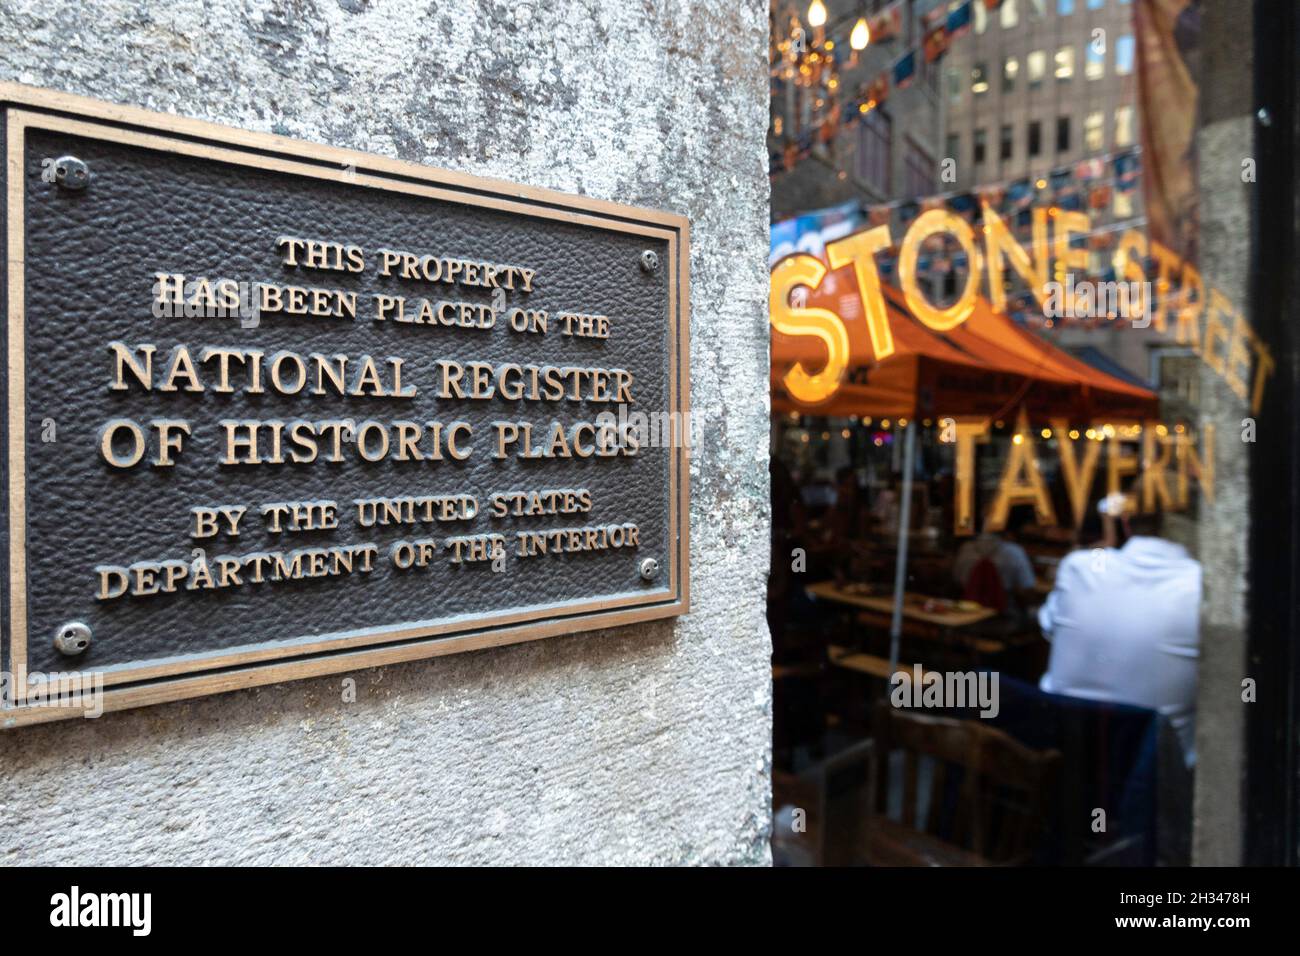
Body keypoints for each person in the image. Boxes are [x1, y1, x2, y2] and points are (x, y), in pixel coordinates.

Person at [1038, 508, 1202, 765]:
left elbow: (1049, 628)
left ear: (1125, 522)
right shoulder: (1204, 588)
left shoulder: (1080, 566)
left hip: (1063, 763)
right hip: (1158, 780)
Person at [952, 505, 1038, 617]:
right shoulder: (1014, 552)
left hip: (968, 615)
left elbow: (956, 581)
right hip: (1005, 616)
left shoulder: (966, 548)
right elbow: (1027, 590)